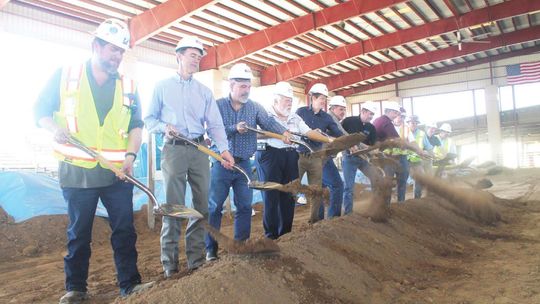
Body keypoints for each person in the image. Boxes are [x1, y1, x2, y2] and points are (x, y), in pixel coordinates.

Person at [34, 19, 153, 303]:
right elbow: (40, 111)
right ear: (95, 46)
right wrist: (54, 129)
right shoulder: (66, 75)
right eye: (113, 49)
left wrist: (130, 156)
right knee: (79, 233)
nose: (117, 56)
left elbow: (137, 125)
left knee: (124, 230)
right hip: (78, 171)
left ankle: (130, 284)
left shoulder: (128, 85)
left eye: (121, 51)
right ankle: (76, 288)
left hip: (116, 173)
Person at [144, 36, 235, 278]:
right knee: (173, 206)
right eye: (192, 55)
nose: (197, 59)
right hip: (173, 149)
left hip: (198, 150)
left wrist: (223, 149)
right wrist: (164, 127)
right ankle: (169, 264)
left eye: (199, 56)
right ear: (179, 56)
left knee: (202, 205)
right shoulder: (162, 86)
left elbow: (214, 124)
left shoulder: (203, 92)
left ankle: (195, 259)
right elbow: (149, 119)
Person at [205, 64, 290, 260]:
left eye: (248, 86)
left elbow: (268, 123)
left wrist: (283, 132)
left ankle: (241, 245)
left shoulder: (254, 108)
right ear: (231, 85)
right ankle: (211, 249)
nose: (246, 90)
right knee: (214, 206)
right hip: (221, 163)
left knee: (244, 206)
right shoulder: (217, 106)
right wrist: (235, 128)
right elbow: (212, 130)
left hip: (243, 164)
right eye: (242, 86)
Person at [255, 82, 322, 239]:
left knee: (289, 194)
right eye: (286, 99)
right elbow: (255, 134)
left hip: (291, 156)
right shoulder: (264, 115)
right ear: (276, 99)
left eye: (291, 100)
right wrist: (276, 133)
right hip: (269, 156)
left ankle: (286, 234)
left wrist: (323, 137)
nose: (289, 103)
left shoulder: (295, 117)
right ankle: (271, 236)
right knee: (271, 195)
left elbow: (308, 131)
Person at [297, 83, 344, 222]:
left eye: (325, 99)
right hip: (299, 155)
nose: (323, 101)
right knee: (293, 186)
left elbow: (338, 133)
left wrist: (348, 141)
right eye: (321, 98)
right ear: (313, 97)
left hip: (317, 157)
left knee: (317, 191)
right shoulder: (301, 112)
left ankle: (315, 222)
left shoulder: (327, 118)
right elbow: (293, 128)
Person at [341, 101, 378, 214]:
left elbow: (373, 145)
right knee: (349, 187)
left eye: (373, 115)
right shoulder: (348, 121)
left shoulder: (371, 128)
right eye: (370, 114)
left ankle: (376, 206)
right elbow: (339, 135)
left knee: (376, 179)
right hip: (349, 157)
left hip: (364, 159)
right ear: (363, 111)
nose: (371, 117)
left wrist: (373, 151)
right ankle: (348, 213)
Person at [372, 101, 403, 204]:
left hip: (375, 156)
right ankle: (385, 206)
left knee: (379, 181)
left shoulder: (378, 120)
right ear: (389, 111)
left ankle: (377, 204)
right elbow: (397, 139)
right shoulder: (386, 122)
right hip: (384, 157)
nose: (396, 116)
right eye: (395, 113)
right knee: (387, 181)